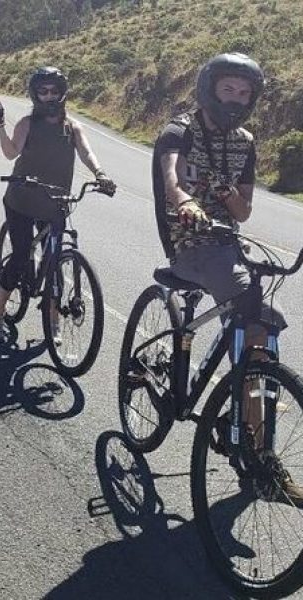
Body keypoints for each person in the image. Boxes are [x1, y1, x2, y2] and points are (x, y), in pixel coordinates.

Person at [152, 52, 302, 502]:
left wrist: (223, 192)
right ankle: (258, 453)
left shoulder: (246, 142)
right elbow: (171, 179)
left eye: (244, 93)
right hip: (189, 243)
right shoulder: (179, 130)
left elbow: (243, 211)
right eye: (227, 90)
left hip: (227, 242)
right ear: (209, 88)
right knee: (255, 316)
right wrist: (187, 202)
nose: (235, 100)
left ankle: (248, 415)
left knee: (260, 324)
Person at [0, 67, 116, 341]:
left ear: (62, 93)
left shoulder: (72, 126)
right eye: (43, 91)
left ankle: (53, 321)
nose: (49, 96)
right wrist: (0, 124)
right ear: (35, 94)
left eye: (54, 91)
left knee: (53, 259)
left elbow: (86, 152)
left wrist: (100, 174)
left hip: (55, 200)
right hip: (21, 198)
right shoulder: (27, 123)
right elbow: (10, 153)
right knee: (21, 256)